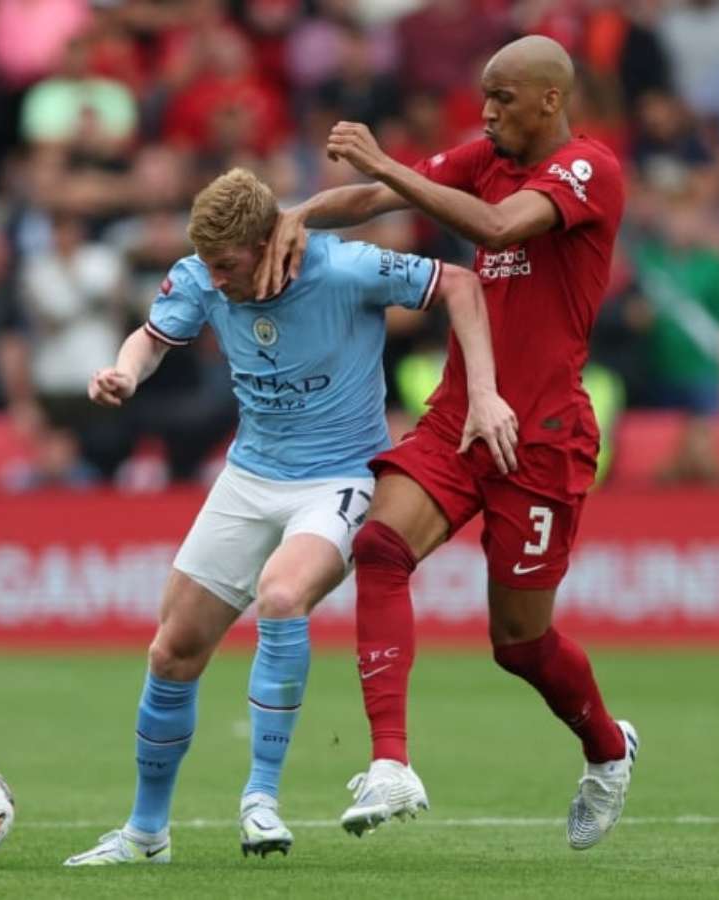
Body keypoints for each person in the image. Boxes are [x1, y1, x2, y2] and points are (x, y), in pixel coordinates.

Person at [63, 167, 516, 867]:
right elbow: (151, 338)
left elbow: (459, 282)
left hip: (338, 479)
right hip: (250, 476)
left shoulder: (344, 268)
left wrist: (482, 393)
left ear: (270, 241)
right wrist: (125, 370)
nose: (214, 281)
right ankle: (146, 834)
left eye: (226, 266)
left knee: (281, 595)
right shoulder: (201, 276)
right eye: (207, 265)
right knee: (171, 651)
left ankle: (260, 800)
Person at [257, 35, 638, 851]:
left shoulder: (587, 170)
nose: (488, 111)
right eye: (484, 96)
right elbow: (378, 201)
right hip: (462, 413)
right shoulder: (486, 155)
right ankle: (391, 763)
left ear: (548, 100)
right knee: (382, 545)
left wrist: (390, 164)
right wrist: (299, 215)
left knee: (521, 645)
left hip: (538, 436)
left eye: (502, 98)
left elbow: (498, 228)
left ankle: (608, 750)